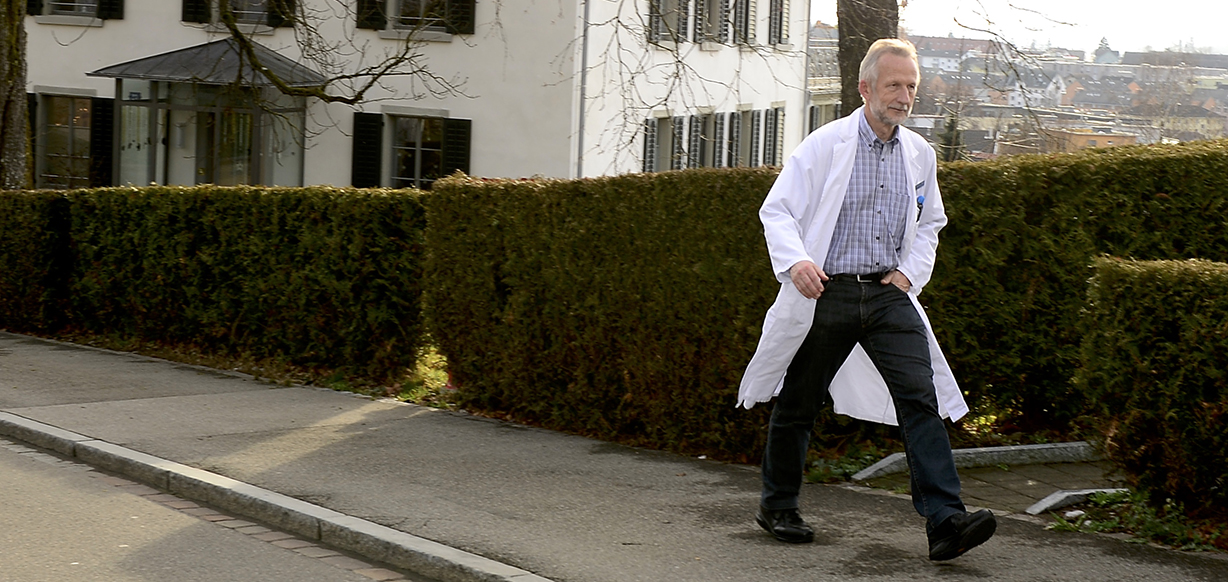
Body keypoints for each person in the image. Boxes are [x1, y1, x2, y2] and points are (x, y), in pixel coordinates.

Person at [737, 38, 995, 561]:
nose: (903, 96)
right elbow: (778, 210)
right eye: (894, 85)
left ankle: (945, 521)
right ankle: (778, 505)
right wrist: (797, 262)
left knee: (920, 398)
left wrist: (908, 274)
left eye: (911, 86)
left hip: (886, 295)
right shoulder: (824, 145)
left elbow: (930, 224)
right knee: (799, 403)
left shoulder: (919, 154)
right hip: (827, 293)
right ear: (866, 88)